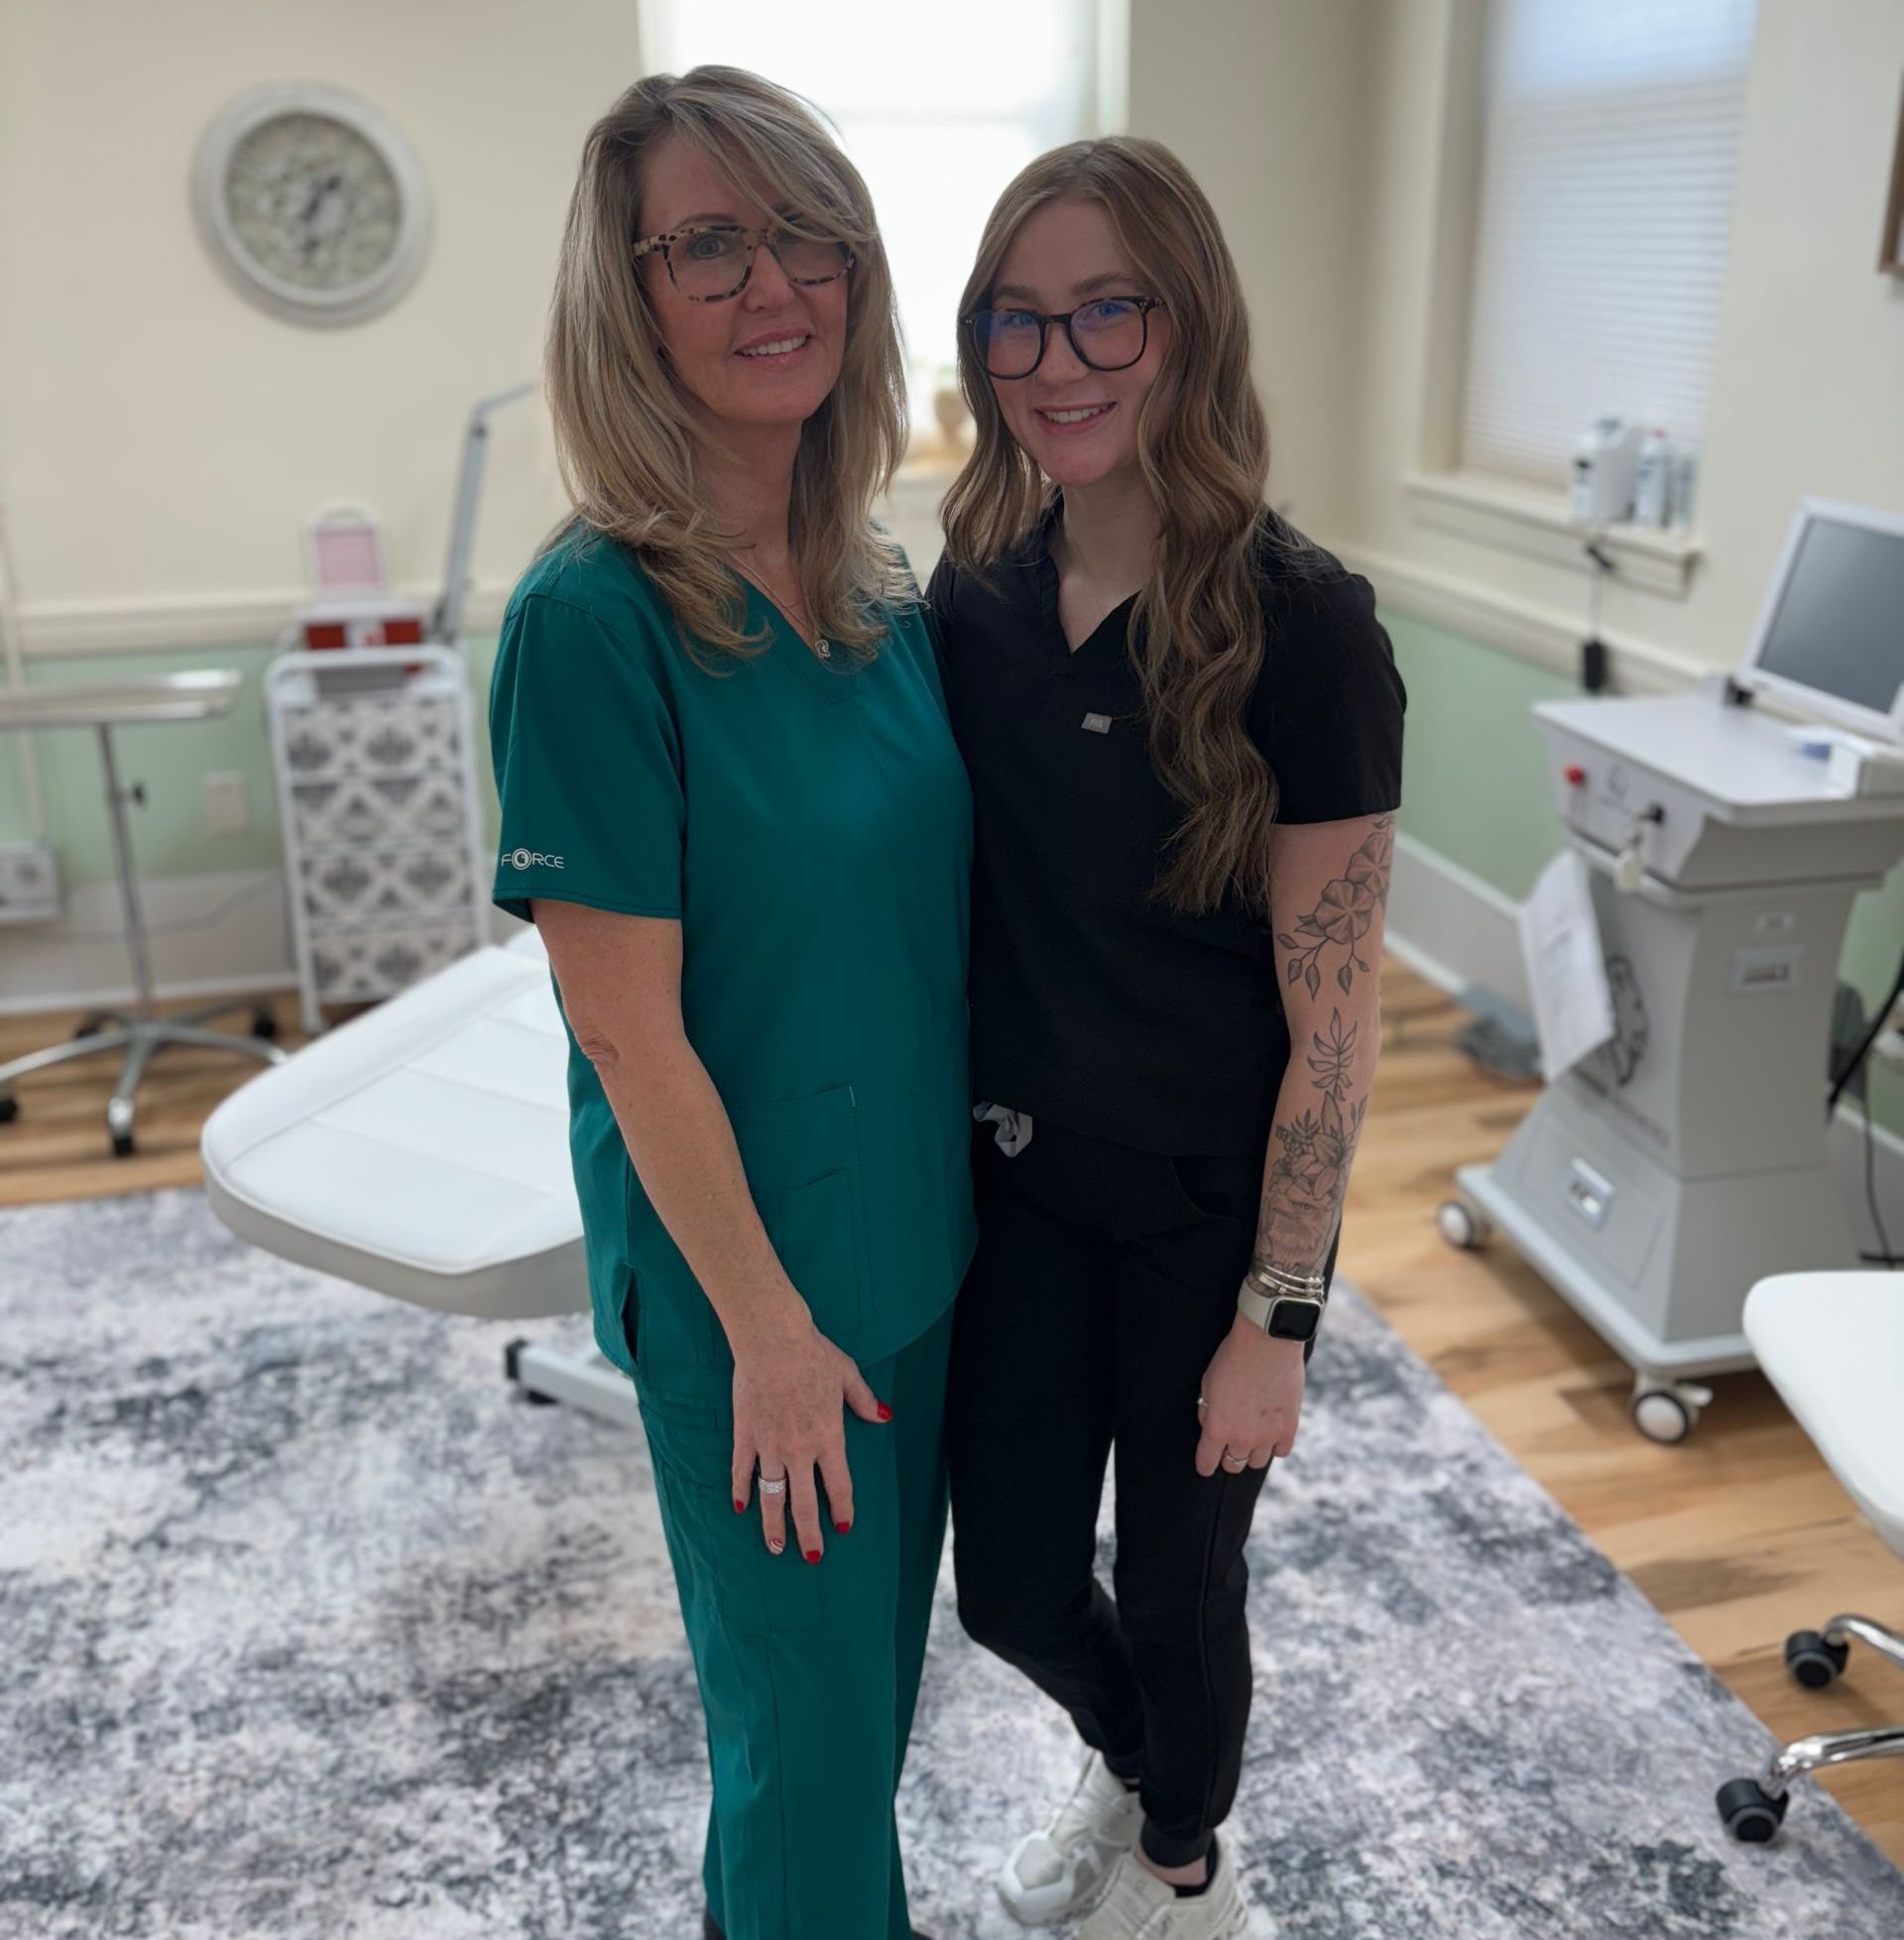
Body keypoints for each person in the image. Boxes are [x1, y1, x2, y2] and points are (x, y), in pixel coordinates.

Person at [487, 66, 971, 1940]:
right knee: (805, 1758)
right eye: (709, 245)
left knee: (864, 1726)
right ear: (630, 294)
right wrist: (766, 1328)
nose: (774, 285)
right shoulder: (595, 618)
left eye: (805, 237)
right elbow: (628, 1031)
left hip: (922, 1249)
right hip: (762, 1292)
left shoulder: (870, 589)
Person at [928, 136, 1405, 1939]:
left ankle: (1184, 1872)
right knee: (1017, 1592)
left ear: (1190, 323)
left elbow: (1338, 1026)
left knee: (1188, 1582)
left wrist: (1277, 1319)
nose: (1058, 363)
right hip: (1022, 1183)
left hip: (1214, 1209)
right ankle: (1137, 1779)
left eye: (1107, 308)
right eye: (1017, 321)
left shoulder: (1306, 628)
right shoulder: (969, 593)